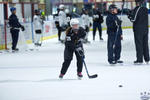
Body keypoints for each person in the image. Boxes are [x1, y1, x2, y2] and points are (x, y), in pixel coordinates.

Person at [127, 0, 149, 64]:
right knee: (145, 44)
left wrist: (129, 15)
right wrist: (132, 13)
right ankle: (147, 59)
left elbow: (133, 19)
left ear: (137, 3)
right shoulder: (145, 9)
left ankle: (139, 60)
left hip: (138, 30)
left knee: (139, 44)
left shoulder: (137, 9)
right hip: (145, 29)